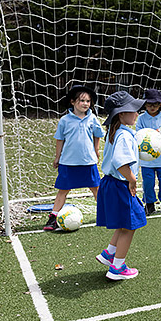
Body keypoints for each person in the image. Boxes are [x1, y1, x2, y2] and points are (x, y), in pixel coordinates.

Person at [95, 91, 148, 280]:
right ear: (121, 114)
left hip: (110, 184)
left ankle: (110, 253)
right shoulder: (124, 135)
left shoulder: (114, 131)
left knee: (124, 222)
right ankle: (117, 268)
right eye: (133, 110)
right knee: (131, 224)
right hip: (120, 185)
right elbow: (120, 162)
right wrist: (132, 180)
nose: (136, 113)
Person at [44, 84, 105, 231]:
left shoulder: (93, 118)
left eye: (88, 101)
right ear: (73, 102)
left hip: (88, 162)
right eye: (82, 100)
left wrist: (96, 151)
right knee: (63, 190)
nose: (85, 104)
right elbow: (60, 139)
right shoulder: (65, 120)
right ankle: (53, 218)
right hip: (68, 162)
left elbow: (97, 135)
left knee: (96, 189)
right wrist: (57, 157)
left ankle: (105, 213)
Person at [135, 89, 161, 215]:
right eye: (149, 104)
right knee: (148, 182)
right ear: (145, 105)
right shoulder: (141, 119)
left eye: (155, 104)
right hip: (147, 160)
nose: (152, 107)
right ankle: (149, 204)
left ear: (160, 105)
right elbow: (138, 136)